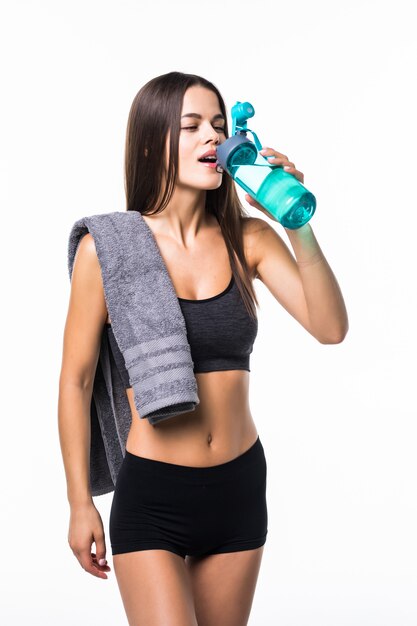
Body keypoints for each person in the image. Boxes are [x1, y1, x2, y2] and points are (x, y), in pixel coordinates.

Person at [58, 71, 349, 626]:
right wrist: (79, 503)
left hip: (240, 486)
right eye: (191, 126)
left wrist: (296, 223)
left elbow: (330, 327)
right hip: (155, 493)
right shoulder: (108, 250)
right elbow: (74, 381)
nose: (211, 138)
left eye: (218, 124)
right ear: (151, 143)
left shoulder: (251, 242)